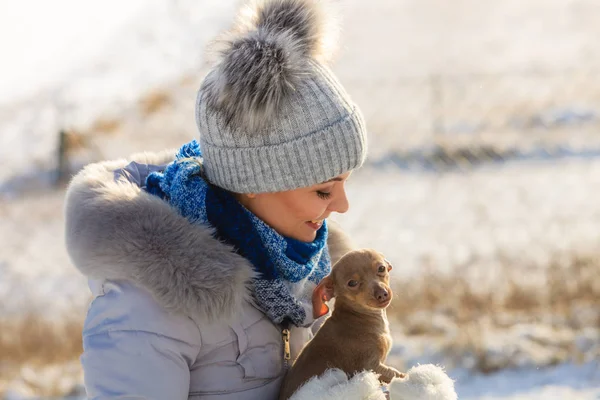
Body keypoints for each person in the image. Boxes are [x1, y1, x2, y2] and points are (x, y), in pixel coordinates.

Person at [65, 0, 367, 398]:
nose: (342, 206)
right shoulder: (147, 307)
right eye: (324, 190)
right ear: (254, 178)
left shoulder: (304, 267)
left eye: (345, 182)